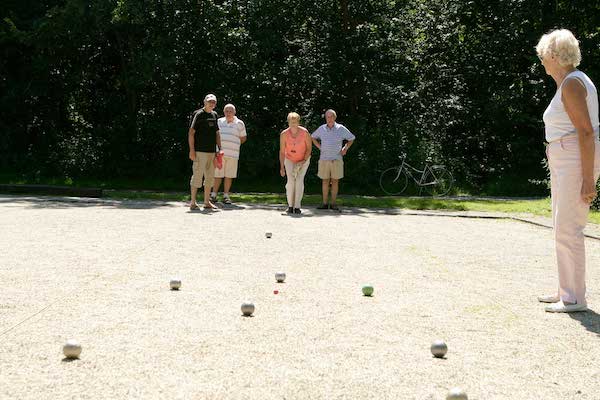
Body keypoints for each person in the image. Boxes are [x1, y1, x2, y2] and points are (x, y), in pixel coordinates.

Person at [536, 29, 600, 312]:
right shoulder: (570, 83)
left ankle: (574, 298)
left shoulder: (573, 84)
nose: (541, 62)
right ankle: (566, 290)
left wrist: (588, 180)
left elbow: (586, 133)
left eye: (543, 56)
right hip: (566, 160)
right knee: (562, 227)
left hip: (575, 161)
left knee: (569, 228)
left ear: (553, 56)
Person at [311, 109, 355, 210]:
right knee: (325, 181)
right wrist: (319, 147)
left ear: (335, 118)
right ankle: (325, 204)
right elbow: (312, 137)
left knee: (335, 182)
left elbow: (351, 138)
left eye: (331, 117)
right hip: (324, 160)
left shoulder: (341, 128)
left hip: (337, 159)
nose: (329, 119)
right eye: (328, 117)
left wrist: (345, 148)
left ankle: (334, 204)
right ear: (326, 118)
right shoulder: (321, 128)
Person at [188, 94, 222, 210]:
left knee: (210, 177)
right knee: (197, 176)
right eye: (209, 101)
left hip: (212, 152)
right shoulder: (198, 114)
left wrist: (219, 149)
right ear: (204, 102)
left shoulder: (214, 115)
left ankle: (207, 202)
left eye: (213, 102)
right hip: (199, 151)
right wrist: (192, 150)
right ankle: (193, 202)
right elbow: (191, 133)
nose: (211, 104)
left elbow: (217, 133)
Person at [210, 104, 247, 204]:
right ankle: (213, 195)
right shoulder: (219, 121)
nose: (228, 113)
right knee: (217, 175)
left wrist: (233, 144)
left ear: (234, 112)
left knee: (229, 175)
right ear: (224, 112)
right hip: (219, 154)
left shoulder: (240, 123)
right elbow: (214, 136)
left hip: (233, 155)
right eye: (226, 111)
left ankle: (226, 196)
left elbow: (243, 138)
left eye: (230, 111)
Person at [279, 112, 312, 214]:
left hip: (303, 159)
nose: (293, 124)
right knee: (290, 182)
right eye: (291, 121)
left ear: (298, 122)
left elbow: (309, 149)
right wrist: (282, 167)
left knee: (298, 181)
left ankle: (297, 206)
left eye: (295, 121)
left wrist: (302, 161)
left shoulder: (305, 132)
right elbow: (282, 151)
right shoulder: (284, 134)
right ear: (288, 122)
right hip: (289, 159)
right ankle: (290, 206)